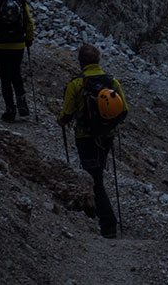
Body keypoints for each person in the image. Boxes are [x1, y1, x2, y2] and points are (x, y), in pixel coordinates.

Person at [57, 44, 128, 239]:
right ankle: (101, 216)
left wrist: (61, 120)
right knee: (97, 174)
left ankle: (108, 223)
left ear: (81, 62)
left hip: (85, 137)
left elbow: (67, 113)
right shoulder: (112, 81)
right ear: (98, 60)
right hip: (106, 136)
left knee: (94, 179)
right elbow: (124, 110)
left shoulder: (76, 84)